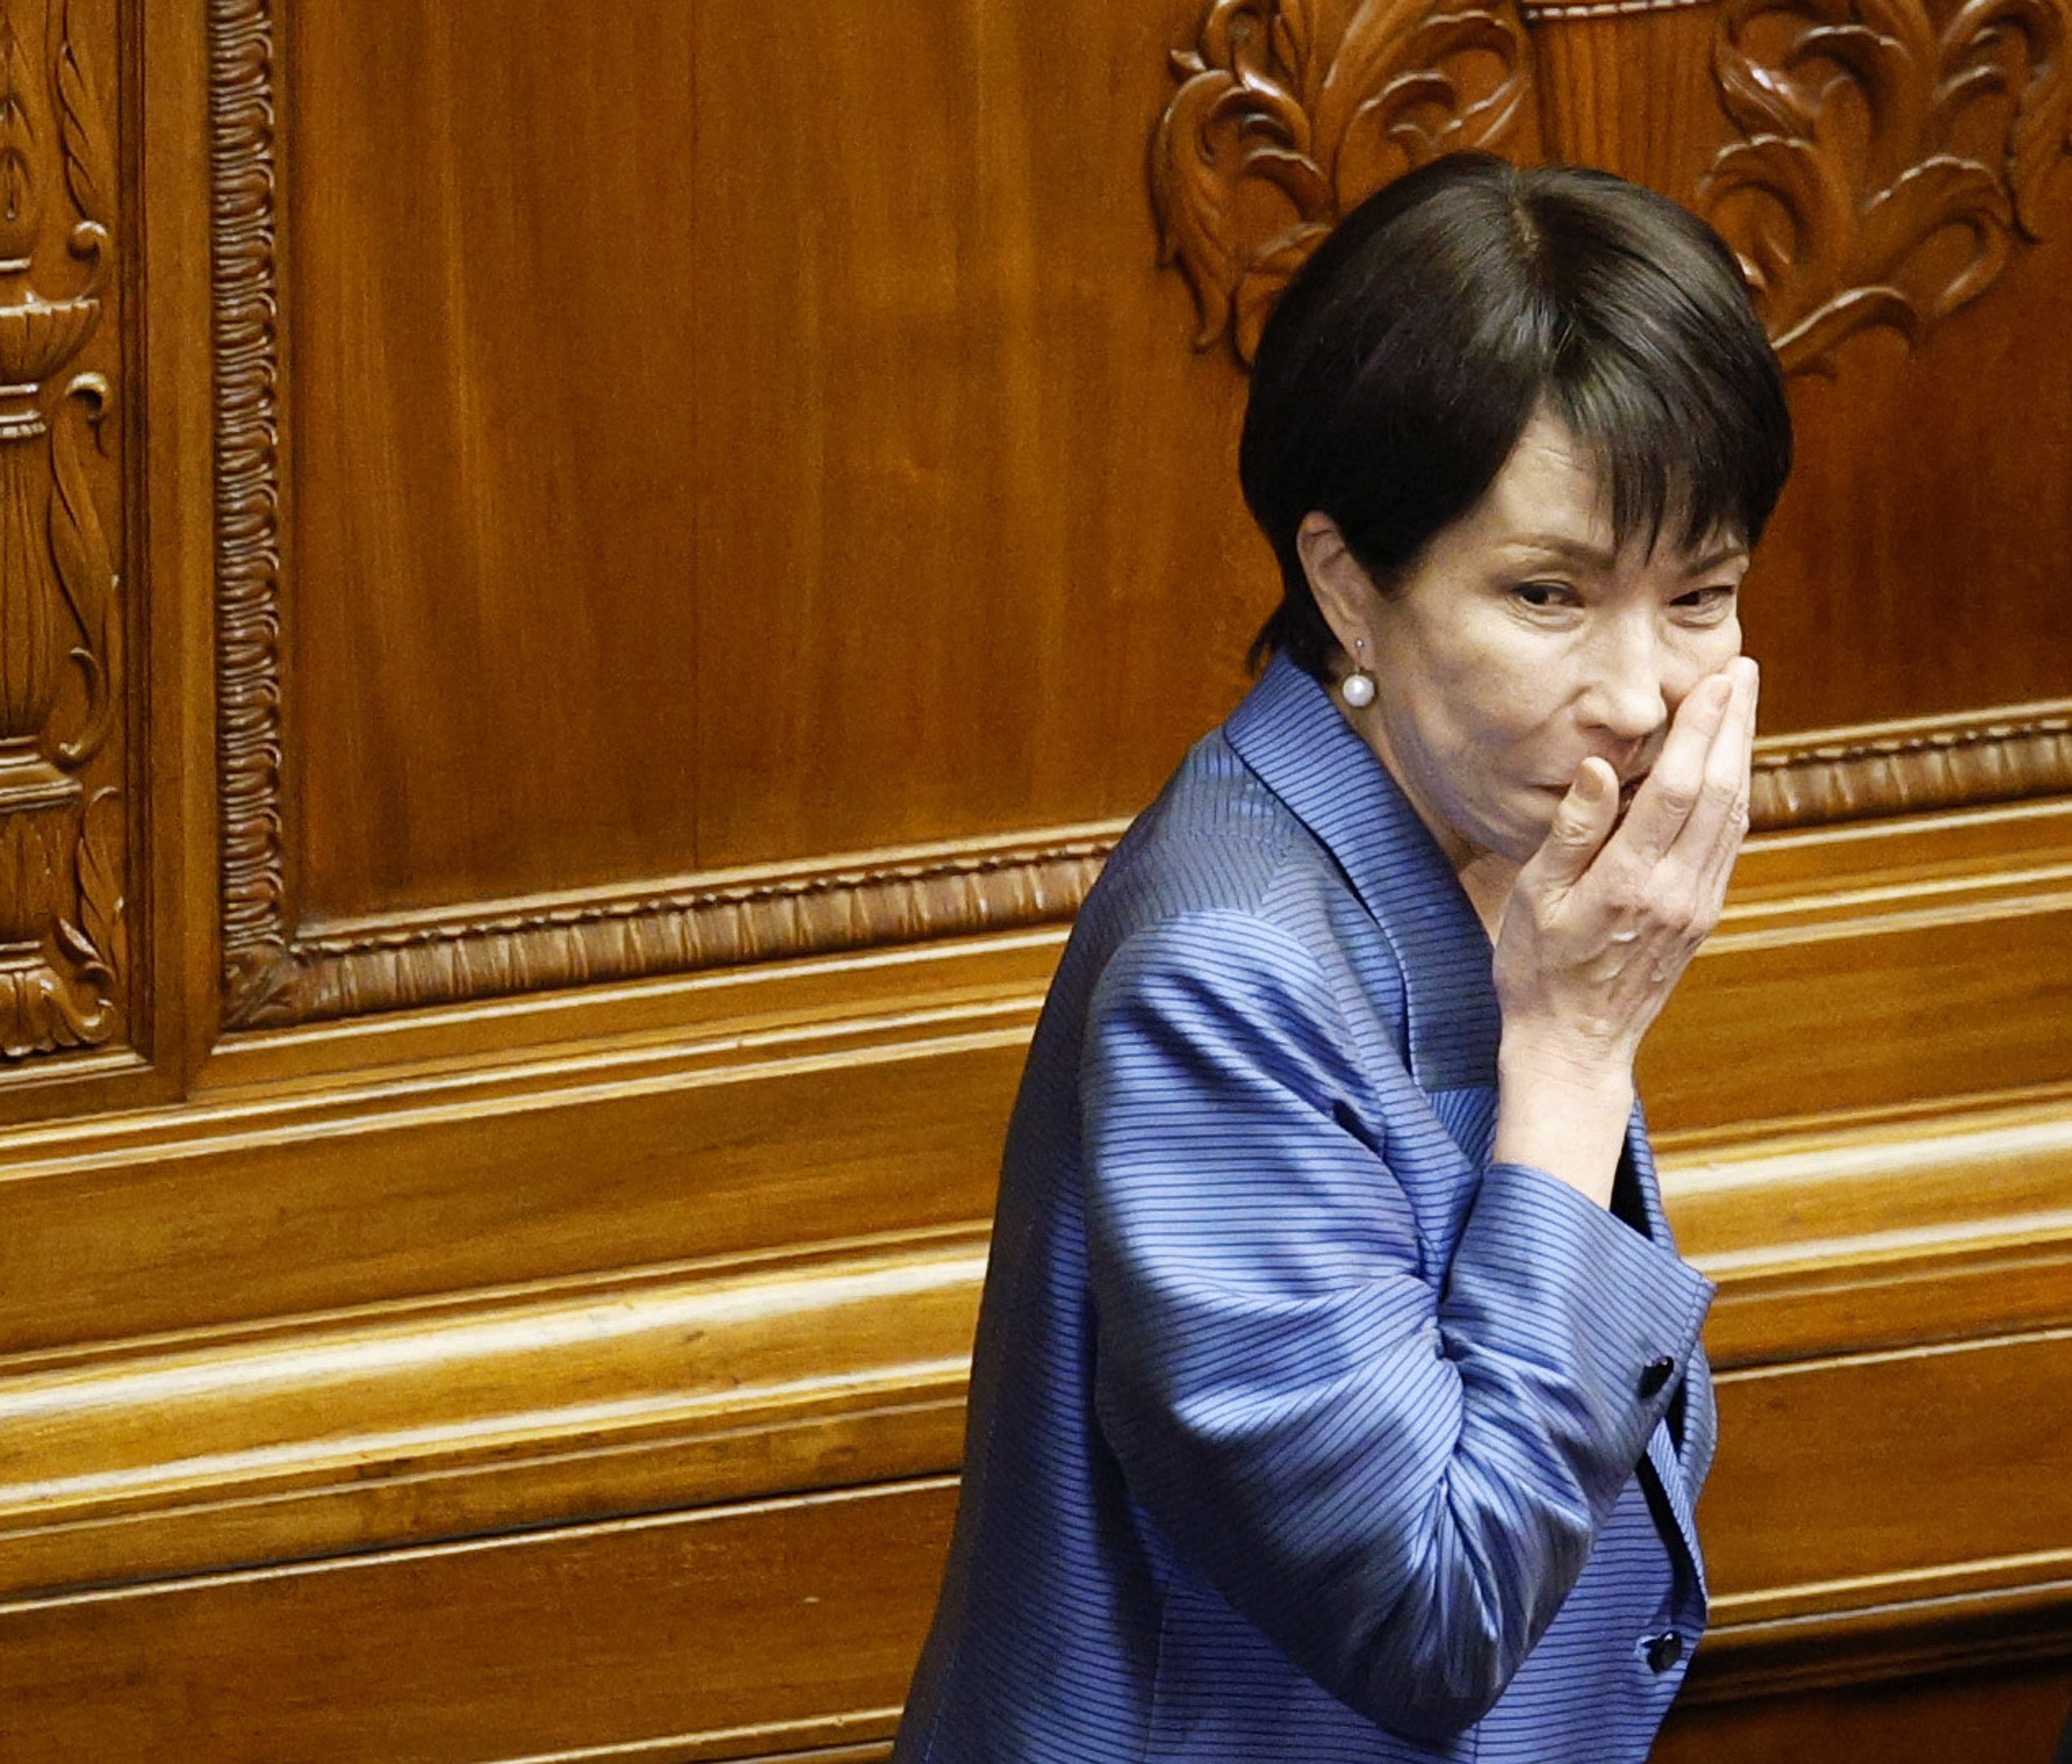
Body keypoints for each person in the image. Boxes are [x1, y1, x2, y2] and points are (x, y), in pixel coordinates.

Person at [894, 152, 1793, 1763]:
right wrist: (1576, 1058)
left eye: (1698, 596)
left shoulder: (1499, 850)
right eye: (1546, 594)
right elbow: (1431, 1609)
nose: (1645, 692)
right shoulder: (1226, 974)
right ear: (1346, 589)